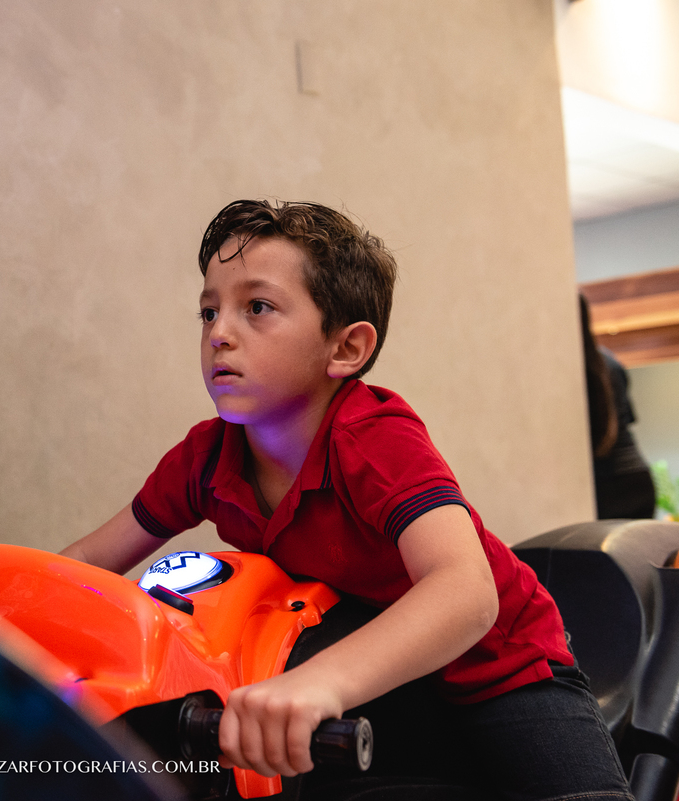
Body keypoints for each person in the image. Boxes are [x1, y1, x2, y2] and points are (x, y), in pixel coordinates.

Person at [61, 200, 632, 800]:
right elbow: (83, 567)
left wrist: (317, 684)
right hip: (382, 678)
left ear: (346, 349)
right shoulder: (204, 459)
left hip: (501, 667)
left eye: (257, 308)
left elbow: (466, 592)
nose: (219, 334)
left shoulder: (372, 437)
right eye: (209, 312)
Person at [581, 293, 656, 519]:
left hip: (605, 487)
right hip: (637, 478)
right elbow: (629, 419)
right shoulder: (610, 362)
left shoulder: (572, 368)